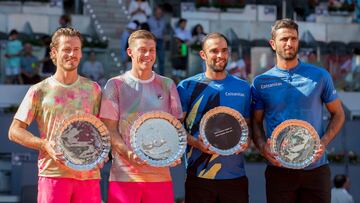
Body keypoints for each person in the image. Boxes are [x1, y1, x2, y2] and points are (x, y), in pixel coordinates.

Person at [251, 18, 345, 203]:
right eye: (284, 39)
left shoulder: (320, 76)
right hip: (279, 170)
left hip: (316, 170)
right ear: (273, 44)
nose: (289, 43)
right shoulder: (261, 82)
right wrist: (262, 147)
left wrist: (323, 142)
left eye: (293, 38)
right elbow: (255, 122)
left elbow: (339, 114)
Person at [8, 27, 103, 203]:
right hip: (53, 175)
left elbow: (105, 130)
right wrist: (43, 144)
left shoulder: (94, 90)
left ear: (81, 53)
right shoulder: (39, 90)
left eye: (76, 49)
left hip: (89, 177)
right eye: (66, 49)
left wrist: (105, 155)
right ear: (54, 52)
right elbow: (14, 131)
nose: (72, 54)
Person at [100, 30, 183, 203]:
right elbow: (109, 129)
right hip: (124, 177)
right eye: (142, 50)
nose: (148, 55)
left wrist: (174, 151)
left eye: (152, 50)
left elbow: (175, 127)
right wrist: (129, 154)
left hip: (160, 177)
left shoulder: (167, 84)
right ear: (130, 52)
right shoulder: (115, 85)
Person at [177, 32, 251, 203]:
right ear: (203, 54)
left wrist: (248, 140)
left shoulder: (243, 87)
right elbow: (176, 127)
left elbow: (247, 125)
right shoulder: (187, 86)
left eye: (224, 50)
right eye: (214, 51)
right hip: (199, 177)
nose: (220, 55)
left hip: (235, 176)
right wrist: (196, 142)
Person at [148, 5, 166, 75]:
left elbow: (164, 32)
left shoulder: (163, 21)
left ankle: (162, 76)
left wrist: (164, 41)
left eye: (160, 13)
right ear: (155, 13)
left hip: (161, 41)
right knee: (151, 59)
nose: (159, 14)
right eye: (158, 13)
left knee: (162, 59)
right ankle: (150, 75)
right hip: (152, 41)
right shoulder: (149, 20)